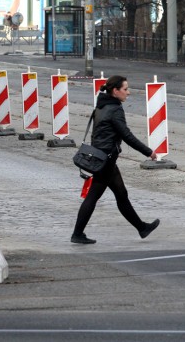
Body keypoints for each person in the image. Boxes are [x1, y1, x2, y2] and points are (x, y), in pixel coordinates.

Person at [71, 75, 160, 244]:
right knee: (94, 196)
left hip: (102, 157)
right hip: (106, 160)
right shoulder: (115, 110)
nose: (128, 92)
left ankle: (142, 228)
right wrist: (148, 152)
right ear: (115, 91)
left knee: (121, 194)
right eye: (125, 89)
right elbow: (126, 135)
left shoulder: (101, 106)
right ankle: (77, 233)